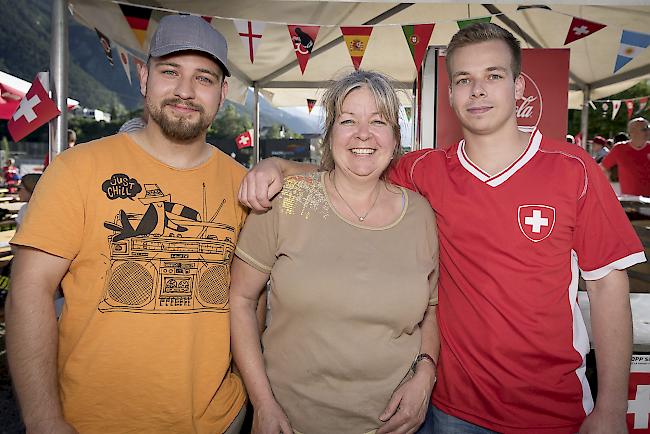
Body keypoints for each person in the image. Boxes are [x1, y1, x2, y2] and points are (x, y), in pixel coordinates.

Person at [239, 22, 645, 433]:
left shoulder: (575, 170)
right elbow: (355, 166)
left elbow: (609, 285)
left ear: (519, 88)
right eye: (464, 79)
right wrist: (281, 166)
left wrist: (611, 407)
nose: (478, 90)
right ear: (449, 94)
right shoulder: (425, 171)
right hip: (451, 408)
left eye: (494, 76)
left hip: (551, 408)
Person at [6, 14, 248, 433]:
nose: (185, 91)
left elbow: (250, 301)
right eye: (170, 71)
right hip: (91, 420)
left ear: (223, 93)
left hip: (216, 419)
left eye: (204, 78)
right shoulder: (76, 170)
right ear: (143, 75)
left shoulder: (243, 187)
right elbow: (29, 291)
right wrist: (44, 418)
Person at [230, 70, 439, 434]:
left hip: (396, 425)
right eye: (348, 120)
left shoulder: (420, 213)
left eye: (379, 121)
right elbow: (240, 300)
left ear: (395, 137)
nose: (363, 133)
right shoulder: (290, 200)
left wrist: (426, 373)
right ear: (329, 134)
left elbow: (431, 310)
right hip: (292, 422)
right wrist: (261, 403)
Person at [601, 117, 650, 196]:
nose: (648, 132)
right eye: (644, 129)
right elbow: (603, 168)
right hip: (628, 200)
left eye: (648, 128)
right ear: (632, 131)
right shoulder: (619, 148)